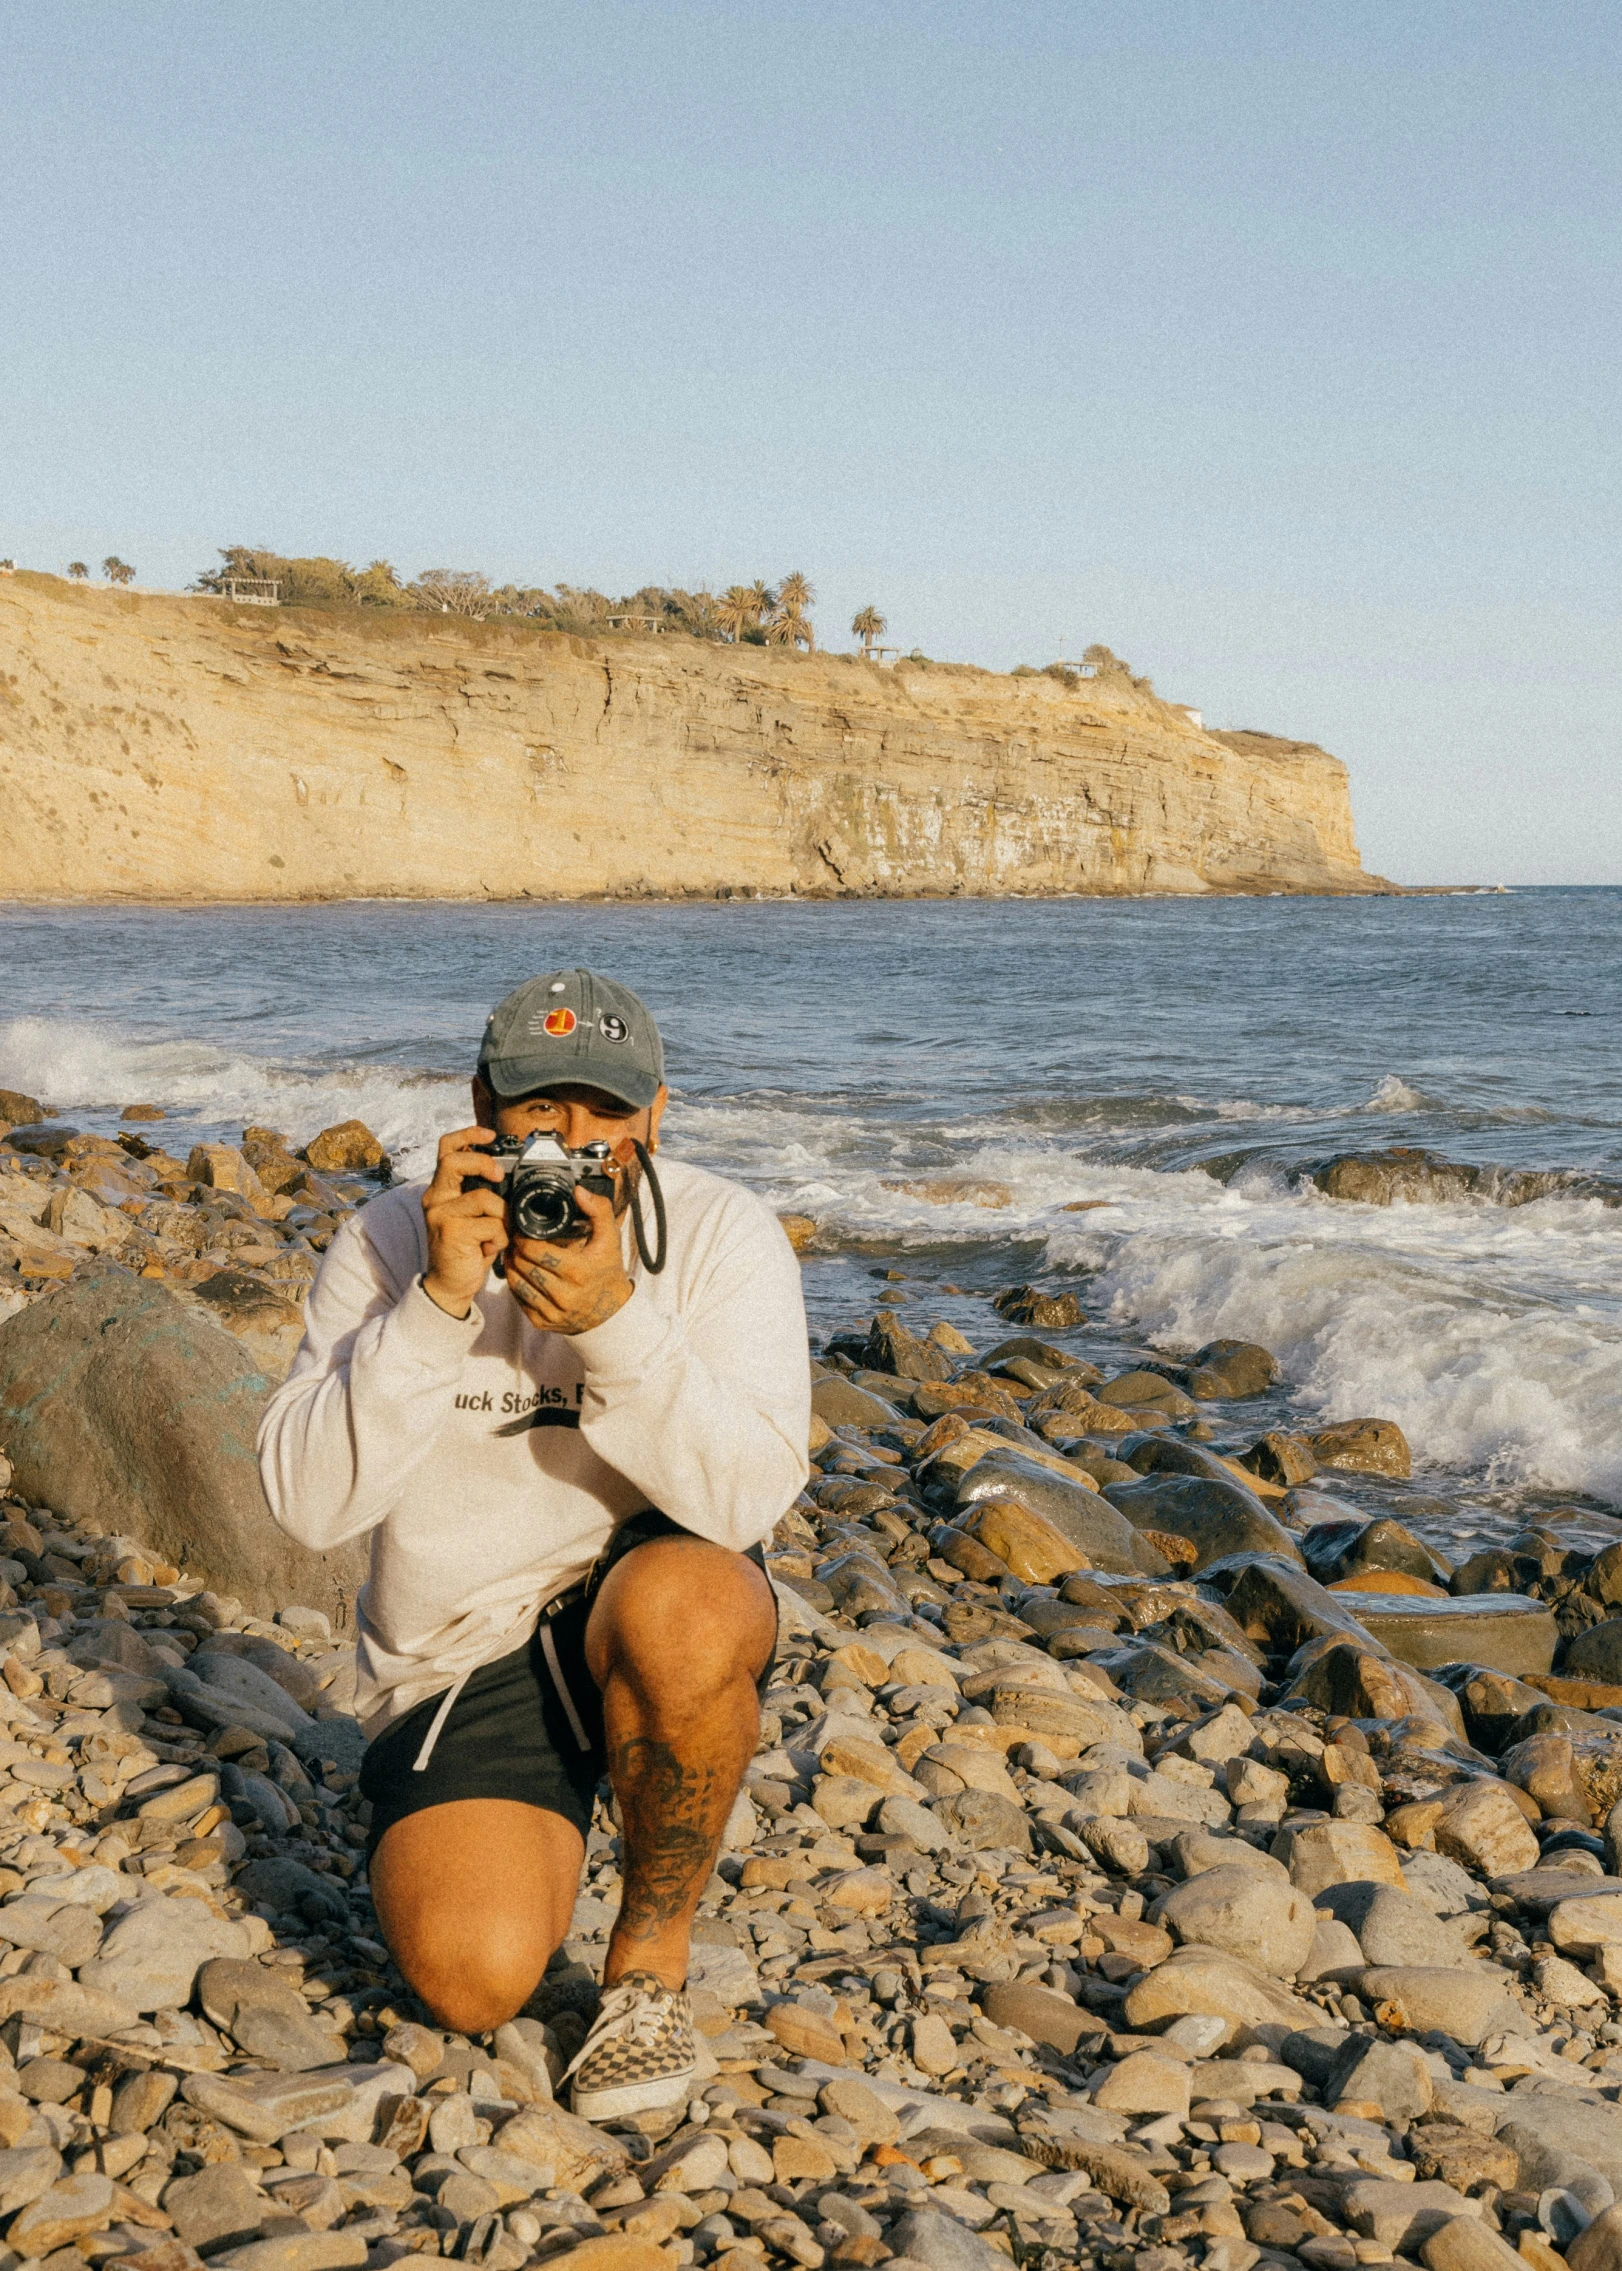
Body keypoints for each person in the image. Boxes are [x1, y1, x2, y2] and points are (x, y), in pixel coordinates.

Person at [257, 968, 809, 2118]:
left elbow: (751, 1496)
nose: (574, 1145)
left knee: (693, 1610)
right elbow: (307, 1508)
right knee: (471, 1985)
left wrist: (616, 1325)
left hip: (642, 1592)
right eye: (540, 1115)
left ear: (656, 1114)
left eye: (607, 1113)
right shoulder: (390, 1238)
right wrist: (435, 1309)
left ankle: (648, 1974)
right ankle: (513, 1798)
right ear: (479, 1109)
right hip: (466, 1643)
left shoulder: (717, 1234)